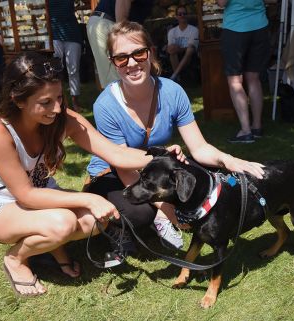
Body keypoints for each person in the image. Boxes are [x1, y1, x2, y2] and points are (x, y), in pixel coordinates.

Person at [0, 52, 184, 297]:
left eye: (60, 98)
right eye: (45, 102)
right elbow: (25, 195)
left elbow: (115, 154)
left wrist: (161, 157)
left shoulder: (64, 118)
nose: (56, 108)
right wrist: (89, 198)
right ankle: (16, 259)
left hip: (42, 197)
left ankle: (52, 245)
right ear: (18, 100)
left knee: (97, 220)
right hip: (1, 204)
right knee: (64, 223)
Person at [86, 21, 265, 256]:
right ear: (113, 62)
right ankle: (120, 230)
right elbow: (122, 165)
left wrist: (229, 161)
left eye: (139, 53)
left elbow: (199, 148)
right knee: (142, 212)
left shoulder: (172, 92)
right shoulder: (105, 105)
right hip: (113, 173)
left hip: (155, 170)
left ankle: (157, 217)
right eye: (122, 58)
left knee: (200, 176)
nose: (132, 63)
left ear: (150, 52)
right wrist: (167, 210)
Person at [217, 0, 275, 143]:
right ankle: (257, 126)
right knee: (254, 79)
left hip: (235, 28)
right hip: (260, 27)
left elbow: (221, 3)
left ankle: (245, 131)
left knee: (235, 81)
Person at [86, 0, 154, 89]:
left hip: (108, 23)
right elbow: (121, 18)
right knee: (116, 80)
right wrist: (125, 41)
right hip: (108, 24)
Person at [48, 0, 82, 112]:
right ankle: (60, 100)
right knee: (56, 70)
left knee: (73, 69)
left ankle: (75, 102)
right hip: (54, 35)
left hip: (72, 34)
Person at [166, 5, 199, 82]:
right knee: (172, 51)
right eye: (180, 14)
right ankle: (178, 76)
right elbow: (170, 48)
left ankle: (175, 75)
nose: (182, 16)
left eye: (184, 14)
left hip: (189, 56)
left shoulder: (194, 30)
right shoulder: (172, 31)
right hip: (176, 55)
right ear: (176, 17)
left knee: (189, 50)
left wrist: (179, 49)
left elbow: (192, 47)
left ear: (187, 15)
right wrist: (177, 49)